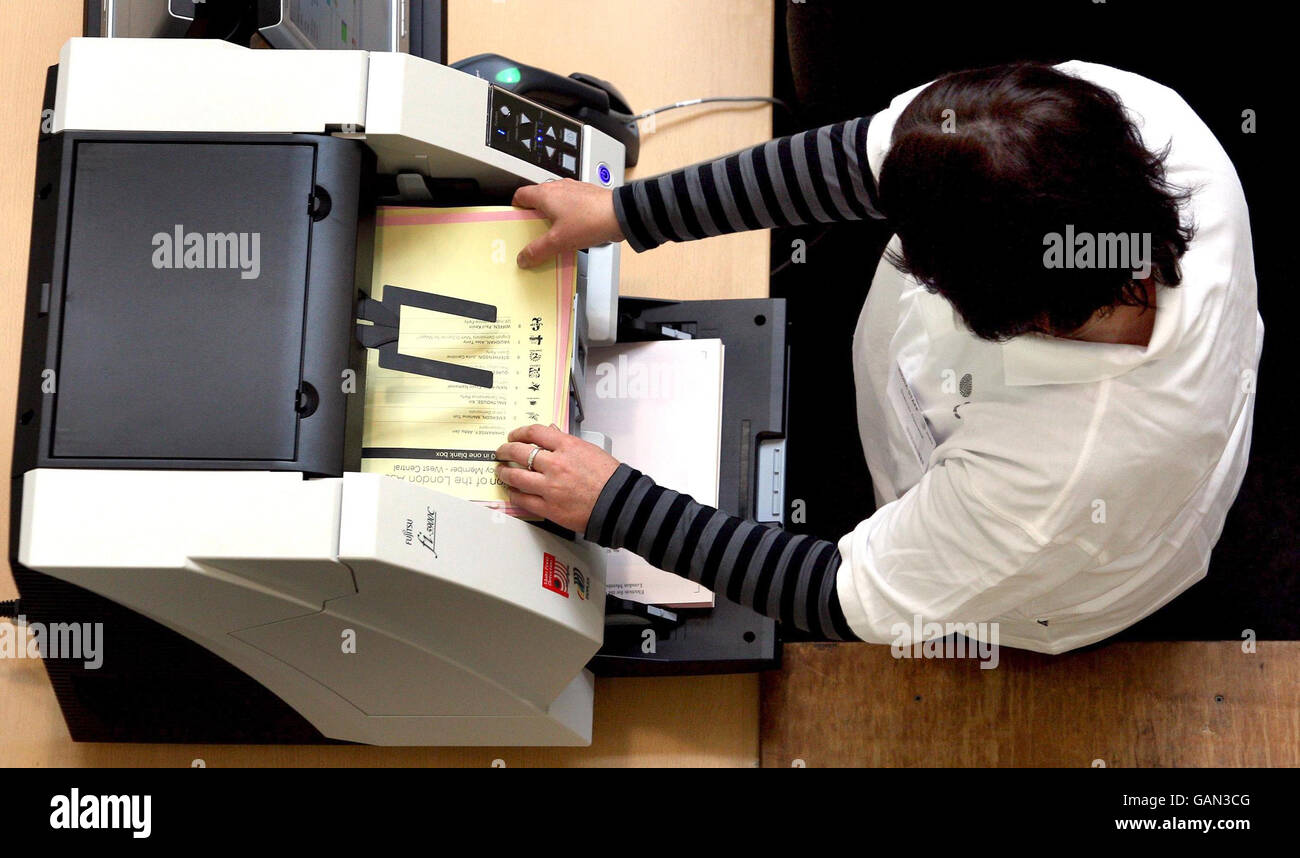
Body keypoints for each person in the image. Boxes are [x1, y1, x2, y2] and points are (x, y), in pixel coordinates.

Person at [493, 61, 1263, 654]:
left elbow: (837, 594)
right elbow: (850, 163)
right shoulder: (1122, 127)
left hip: (1035, 575)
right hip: (942, 417)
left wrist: (613, 504)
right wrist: (625, 212)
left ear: (1009, 318)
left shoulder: (1055, 483)